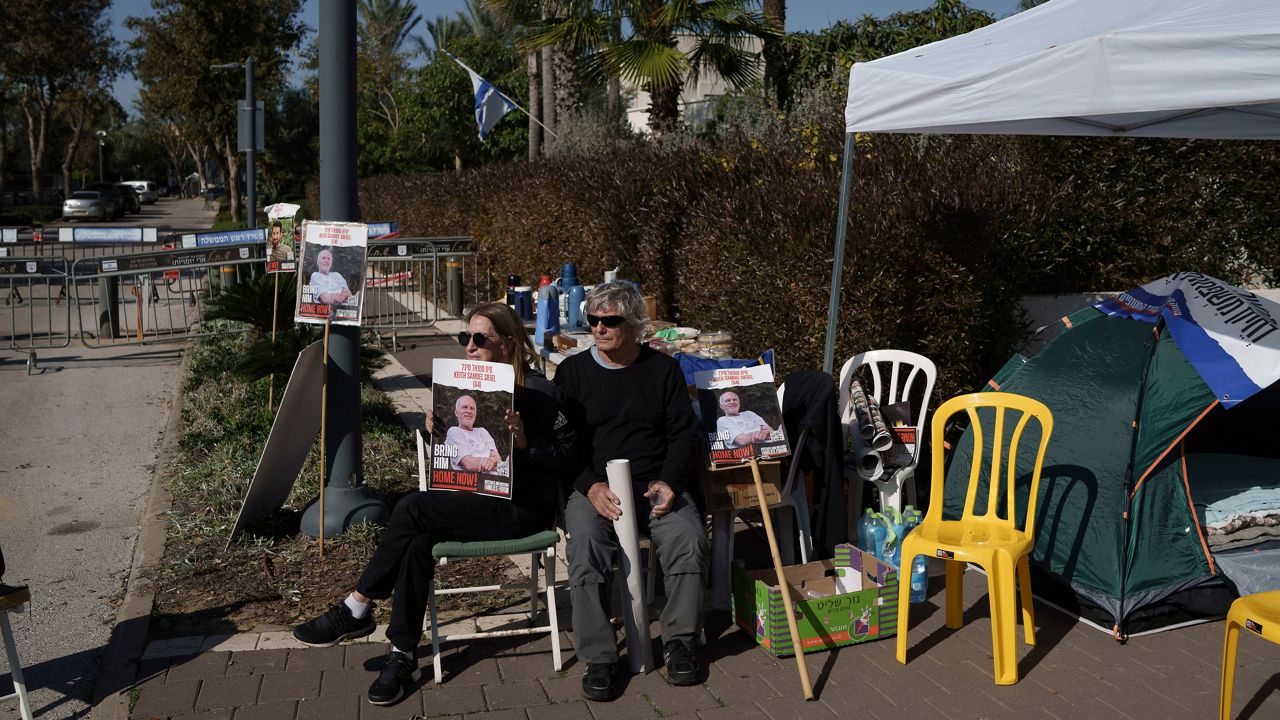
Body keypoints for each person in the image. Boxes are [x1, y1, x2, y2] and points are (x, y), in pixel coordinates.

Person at [292, 302, 574, 706]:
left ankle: (357, 606)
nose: (470, 347)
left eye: (480, 339)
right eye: (466, 338)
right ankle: (401, 654)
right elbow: (460, 462)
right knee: (418, 539)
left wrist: (526, 443)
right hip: (473, 502)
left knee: (411, 508)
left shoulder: (540, 393)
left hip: (521, 510)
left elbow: (567, 457)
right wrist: (434, 433)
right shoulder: (463, 391)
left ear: (509, 342)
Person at [555, 280, 708, 702]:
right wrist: (590, 486)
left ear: (636, 324)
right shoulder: (572, 372)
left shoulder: (662, 371)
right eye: (594, 320)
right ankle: (600, 657)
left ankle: (680, 640)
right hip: (595, 487)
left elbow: (683, 435)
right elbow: (564, 447)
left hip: (653, 483)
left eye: (611, 320)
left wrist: (670, 482)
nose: (600, 328)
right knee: (585, 546)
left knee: (688, 538)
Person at [445, 394, 502, 473]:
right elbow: (469, 464)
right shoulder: (454, 432)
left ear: (475, 414)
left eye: (472, 408)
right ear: (456, 412)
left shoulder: (482, 431)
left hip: (496, 482)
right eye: (464, 407)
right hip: (474, 483)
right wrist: (497, 466)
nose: (468, 411)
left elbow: (498, 458)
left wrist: (494, 461)